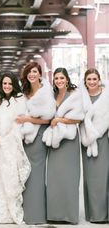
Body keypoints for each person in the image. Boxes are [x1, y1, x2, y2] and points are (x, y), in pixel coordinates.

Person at [42, 67, 84, 224]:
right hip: (55, 141)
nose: (59, 81)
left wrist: (59, 120)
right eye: (56, 78)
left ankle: (70, 216)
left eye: (61, 78)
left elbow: (78, 118)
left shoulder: (74, 95)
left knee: (69, 178)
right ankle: (55, 215)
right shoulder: (51, 95)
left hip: (69, 141)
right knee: (54, 178)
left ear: (67, 79)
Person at [16, 62, 55, 224]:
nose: (31, 74)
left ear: (40, 74)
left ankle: (37, 214)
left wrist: (27, 119)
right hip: (23, 138)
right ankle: (25, 212)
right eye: (29, 72)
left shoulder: (46, 92)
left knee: (36, 174)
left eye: (34, 71)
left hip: (38, 137)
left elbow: (47, 118)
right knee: (24, 174)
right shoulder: (24, 92)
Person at [0, 72, 31, 224]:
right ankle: (0, 213)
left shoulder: (19, 100)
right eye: (4, 83)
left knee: (10, 175)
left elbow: (20, 122)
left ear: (14, 85)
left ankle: (12, 211)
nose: (7, 86)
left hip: (12, 144)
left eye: (9, 84)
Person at [80, 68, 109, 223]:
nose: (92, 82)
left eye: (94, 79)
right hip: (87, 141)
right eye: (89, 79)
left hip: (103, 140)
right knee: (90, 178)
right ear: (85, 81)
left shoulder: (106, 96)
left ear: (99, 80)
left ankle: (104, 214)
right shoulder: (81, 97)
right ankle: (93, 214)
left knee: (103, 177)